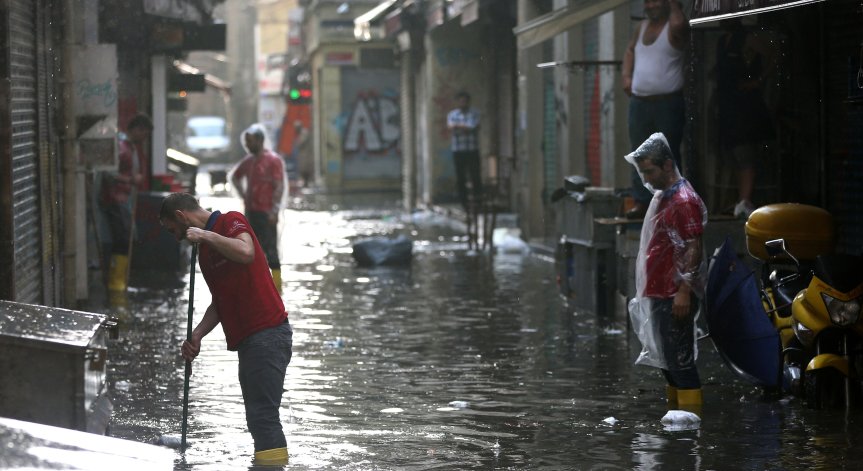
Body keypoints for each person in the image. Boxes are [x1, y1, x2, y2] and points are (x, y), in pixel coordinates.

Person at [159, 192, 293, 465]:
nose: (176, 238)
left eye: (174, 230)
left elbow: (246, 252)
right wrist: (196, 335)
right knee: (258, 417)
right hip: (249, 341)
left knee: (263, 417)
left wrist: (206, 236)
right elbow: (221, 302)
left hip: (268, 332)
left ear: (182, 217)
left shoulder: (231, 221)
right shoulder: (205, 255)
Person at [625, 133, 707, 415]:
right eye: (642, 172)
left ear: (668, 164)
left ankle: (689, 427)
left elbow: (693, 245)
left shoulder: (683, 201)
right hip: (661, 290)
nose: (646, 179)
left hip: (674, 294)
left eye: (650, 171)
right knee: (669, 361)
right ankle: (677, 422)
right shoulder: (665, 197)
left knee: (680, 361)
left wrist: (684, 290)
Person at [622, 0, 689, 219]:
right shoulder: (640, 27)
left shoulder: (674, 25)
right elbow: (631, 50)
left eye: (655, 0)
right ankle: (642, 202)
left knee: (667, 153)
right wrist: (626, 76)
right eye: (647, 1)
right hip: (639, 102)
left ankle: (672, 201)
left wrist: (673, 5)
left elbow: (680, 24)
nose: (650, 6)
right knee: (639, 153)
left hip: (667, 103)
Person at [716, 21, 776, 219]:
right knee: (731, 152)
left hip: (744, 104)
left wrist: (757, 81)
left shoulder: (748, 38)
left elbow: (774, 56)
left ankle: (745, 200)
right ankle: (739, 200)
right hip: (726, 103)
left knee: (745, 152)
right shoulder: (722, 41)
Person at [100, 113, 153, 292]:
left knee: (125, 237)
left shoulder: (131, 147)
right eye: (144, 133)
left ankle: (119, 281)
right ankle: (115, 283)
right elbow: (108, 173)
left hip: (124, 200)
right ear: (136, 130)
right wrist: (130, 180)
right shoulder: (122, 147)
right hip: (115, 200)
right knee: (121, 239)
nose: (144, 138)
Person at [230, 124, 285, 292]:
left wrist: (275, 210)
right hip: (251, 212)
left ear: (260, 141)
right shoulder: (248, 161)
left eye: (250, 142)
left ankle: (277, 288)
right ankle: (256, 286)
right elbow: (235, 177)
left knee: (271, 250)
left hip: (266, 213)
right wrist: (243, 195)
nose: (247, 145)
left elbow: (279, 186)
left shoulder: (273, 160)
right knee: (252, 250)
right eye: (246, 142)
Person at [446, 90, 482, 210]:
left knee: (475, 176)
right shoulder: (452, 114)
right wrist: (465, 127)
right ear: (458, 102)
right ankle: (464, 203)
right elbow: (451, 127)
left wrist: (459, 126)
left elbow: (474, 127)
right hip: (458, 150)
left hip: (472, 149)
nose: (463, 103)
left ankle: (478, 201)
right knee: (461, 178)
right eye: (461, 101)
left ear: (468, 101)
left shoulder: (475, 113)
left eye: (465, 101)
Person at [292, 120, 312, 187]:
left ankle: (306, 182)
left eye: (296, 128)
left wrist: (296, 143)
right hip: (302, 155)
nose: (295, 130)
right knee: (302, 169)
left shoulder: (304, 132)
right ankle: (305, 183)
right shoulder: (300, 133)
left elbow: (300, 143)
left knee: (305, 169)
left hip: (306, 155)